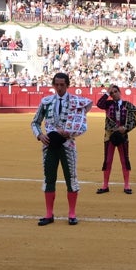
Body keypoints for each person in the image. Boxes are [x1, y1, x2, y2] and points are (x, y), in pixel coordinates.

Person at [31, 71, 92, 226]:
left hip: (68, 144)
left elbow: (82, 123)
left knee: (71, 178)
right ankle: (49, 214)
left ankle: (72, 214)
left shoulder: (76, 102)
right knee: (49, 178)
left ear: (67, 85)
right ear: (53, 85)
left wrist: (71, 132)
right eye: (56, 85)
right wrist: (39, 135)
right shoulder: (46, 101)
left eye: (62, 85)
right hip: (49, 145)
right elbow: (35, 122)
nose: (59, 88)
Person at [97, 84, 136, 194]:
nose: (114, 94)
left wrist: (125, 128)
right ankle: (105, 186)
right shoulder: (108, 104)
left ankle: (127, 185)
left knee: (124, 160)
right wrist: (106, 92)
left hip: (122, 136)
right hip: (109, 136)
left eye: (115, 91)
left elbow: (133, 122)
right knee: (108, 160)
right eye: (112, 93)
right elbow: (99, 104)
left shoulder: (128, 105)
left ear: (120, 92)